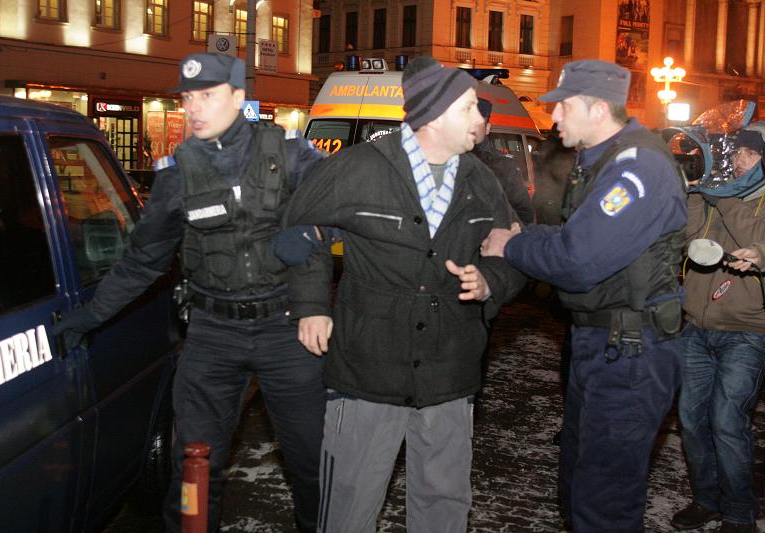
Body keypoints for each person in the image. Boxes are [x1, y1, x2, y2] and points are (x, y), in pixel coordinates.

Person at [53, 53, 326, 533]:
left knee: (313, 461)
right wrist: (92, 314)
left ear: (238, 98)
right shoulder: (178, 174)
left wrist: (315, 240)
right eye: (187, 97)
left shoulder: (289, 153)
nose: (194, 108)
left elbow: (346, 203)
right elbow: (144, 259)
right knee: (193, 466)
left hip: (285, 329)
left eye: (207, 95)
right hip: (212, 334)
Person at [280, 56, 527, 532]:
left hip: (449, 367)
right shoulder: (358, 168)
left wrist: (492, 281)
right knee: (349, 500)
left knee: (444, 502)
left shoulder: (482, 181)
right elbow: (300, 230)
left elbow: (511, 248)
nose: (480, 117)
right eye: (469, 107)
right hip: (368, 367)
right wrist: (311, 306)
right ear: (433, 115)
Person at [480, 59, 686, 532]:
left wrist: (512, 245)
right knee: (578, 486)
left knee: (602, 502)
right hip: (604, 344)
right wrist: (530, 237)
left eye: (564, 107)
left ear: (597, 110)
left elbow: (578, 261)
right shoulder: (602, 162)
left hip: (630, 352)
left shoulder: (638, 168)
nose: (553, 117)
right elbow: (577, 239)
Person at [670, 128, 765, 533]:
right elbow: (687, 240)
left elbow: (757, 240)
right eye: (734, 152)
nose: (738, 161)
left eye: (749, 154)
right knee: (691, 419)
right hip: (696, 324)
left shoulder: (750, 199)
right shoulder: (713, 193)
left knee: (727, 419)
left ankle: (740, 512)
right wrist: (695, 193)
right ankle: (706, 500)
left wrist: (724, 197)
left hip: (747, 330)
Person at [473, 97, 535, 224]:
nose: (471, 128)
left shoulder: (504, 165)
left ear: (487, 128)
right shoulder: (449, 158)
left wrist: (501, 231)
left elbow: (523, 213)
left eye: (476, 123)